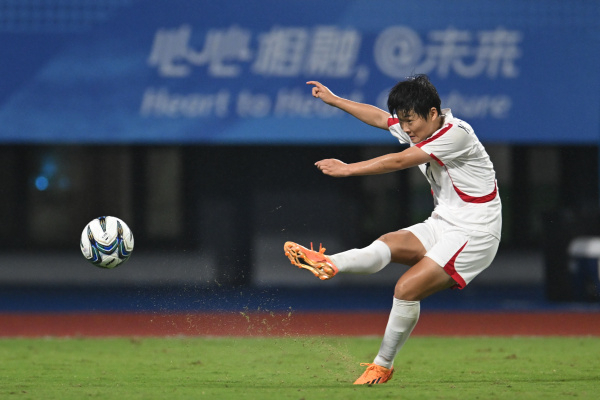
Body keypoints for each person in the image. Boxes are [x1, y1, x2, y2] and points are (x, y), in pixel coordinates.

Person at [283, 75, 502, 385]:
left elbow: (398, 161)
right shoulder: (421, 124)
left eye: (410, 121)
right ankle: (331, 263)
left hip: (476, 231)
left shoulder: (456, 134)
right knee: (388, 243)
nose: (406, 128)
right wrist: (334, 99)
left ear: (432, 113)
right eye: (403, 121)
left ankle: (382, 366)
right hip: (444, 221)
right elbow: (378, 117)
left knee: (406, 289)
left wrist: (349, 169)